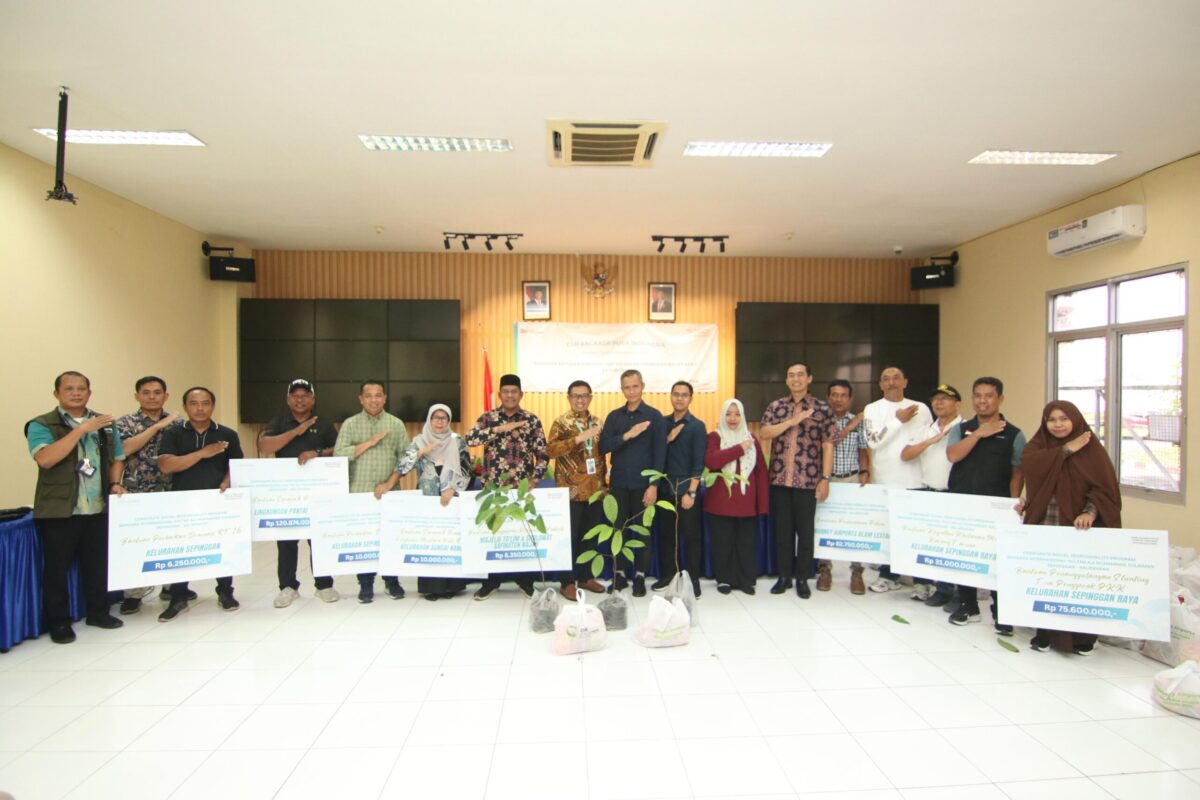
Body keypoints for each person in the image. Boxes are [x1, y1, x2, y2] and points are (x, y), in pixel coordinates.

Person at [25, 371, 127, 644]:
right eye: (69, 388)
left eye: (82, 388)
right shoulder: (41, 424)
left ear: (89, 393)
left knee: (97, 566)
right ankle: (58, 622)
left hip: (97, 507)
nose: (76, 393)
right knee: (56, 570)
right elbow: (45, 459)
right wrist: (80, 430)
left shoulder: (105, 423)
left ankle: (98, 612)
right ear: (57, 393)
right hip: (61, 511)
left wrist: (115, 482)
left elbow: (117, 457)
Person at [1017, 400, 1121, 656]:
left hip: (1078, 526)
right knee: (1046, 579)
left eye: (1064, 418)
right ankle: (1044, 632)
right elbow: (1030, 464)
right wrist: (1065, 450)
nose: (1058, 424)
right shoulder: (1040, 444)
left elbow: (1104, 489)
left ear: (1074, 419)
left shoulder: (1091, 449)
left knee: (1078, 582)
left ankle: (1083, 636)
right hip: (1045, 521)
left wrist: (1090, 511)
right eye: (1052, 419)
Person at [945, 376, 1026, 633]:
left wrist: (1014, 503)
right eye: (978, 395)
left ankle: (1001, 611)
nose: (982, 401)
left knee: (996, 559)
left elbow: (1017, 472)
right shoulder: (962, 428)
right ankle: (968, 605)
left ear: (1000, 399)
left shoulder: (1014, 434)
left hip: (997, 507)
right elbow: (953, 455)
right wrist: (979, 434)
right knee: (964, 555)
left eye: (988, 395)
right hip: (964, 502)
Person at [157, 387, 243, 621]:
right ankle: (178, 597)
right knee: (182, 549)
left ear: (212, 406)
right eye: (194, 403)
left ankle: (225, 592)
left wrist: (227, 481)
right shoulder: (174, 433)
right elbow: (166, 465)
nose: (200, 408)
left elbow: (236, 467)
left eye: (205, 403)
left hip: (218, 501)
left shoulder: (227, 434)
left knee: (223, 547)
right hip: (182, 501)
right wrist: (203, 453)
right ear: (185, 407)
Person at [257, 378, 341, 608]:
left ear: (313, 399)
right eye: (295, 395)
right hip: (286, 495)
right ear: (288, 399)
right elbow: (265, 446)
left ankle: (323, 584)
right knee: (286, 541)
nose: (300, 399)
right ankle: (288, 587)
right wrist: (297, 431)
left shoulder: (323, 423)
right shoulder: (279, 421)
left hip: (317, 493)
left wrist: (317, 452)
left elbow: (338, 448)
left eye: (305, 395)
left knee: (319, 539)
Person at [376, 403, 472, 601]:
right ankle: (432, 588)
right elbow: (403, 465)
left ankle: (451, 586)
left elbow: (466, 469)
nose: (439, 421)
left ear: (448, 420)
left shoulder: (457, 441)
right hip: (427, 500)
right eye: (435, 417)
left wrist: (453, 489)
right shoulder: (418, 442)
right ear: (429, 419)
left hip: (451, 499)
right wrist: (422, 451)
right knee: (431, 540)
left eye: (443, 418)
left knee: (450, 539)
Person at [466, 374, 548, 600]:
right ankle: (492, 581)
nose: (510, 395)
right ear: (500, 394)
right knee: (495, 533)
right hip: (494, 488)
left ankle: (526, 581)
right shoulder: (489, 418)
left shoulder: (531, 420)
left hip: (522, 489)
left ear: (521, 394)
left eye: (514, 391)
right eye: (506, 391)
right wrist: (499, 430)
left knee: (521, 534)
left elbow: (542, 454)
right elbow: (470, 439)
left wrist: (535, 479)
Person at [759, 361, 835, 599]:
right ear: (786, 380)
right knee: (782, 532)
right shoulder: (776, 406)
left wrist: (825, 478)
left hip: (807, 480)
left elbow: (828, 445)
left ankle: (802, 578)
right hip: (780, 480)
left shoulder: (821, 408)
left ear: (809, 379)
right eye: (791, 375)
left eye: (800, 375)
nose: (796, 379)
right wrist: (791, 422)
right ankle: (783, 577)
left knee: (805, 532)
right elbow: (764, 432)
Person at [114, 375, 184, 615]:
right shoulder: (126, 422)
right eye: (146, 392)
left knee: (171, 540)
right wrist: (156, 427)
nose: (152, 397)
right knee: (137, 544)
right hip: (137, 491)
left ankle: (171, 587)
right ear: (137, 396)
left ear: (166, 395)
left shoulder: (178, 423)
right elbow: (123, 450)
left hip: (171, 489)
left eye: (157, 392)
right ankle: (134, 594)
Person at [334, 380, 409, 603]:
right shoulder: (350, 424)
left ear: (385, 398)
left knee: (390, 538)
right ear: (361, 399)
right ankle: (365, 584)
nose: (373, 400)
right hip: (359, 492)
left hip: (389, 492)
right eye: (368, 395)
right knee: (364, 540)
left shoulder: (395, 424)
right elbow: (339, 455)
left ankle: (391, 581)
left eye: (378, 395)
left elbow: (406, 459)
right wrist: (370, 442)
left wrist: (388, 484)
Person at [862, 366, 933, 593]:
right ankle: (888, 576)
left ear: (905, 382)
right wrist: (897, 421)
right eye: (886, 379)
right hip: (885, 481)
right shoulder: (872, 408)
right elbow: (872, 441)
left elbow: (928, 440)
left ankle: (922, 580)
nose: (891, 382)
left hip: (916, 481)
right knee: (889, 532)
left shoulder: (921, 409)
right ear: (880, 385)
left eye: (896, 378)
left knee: (917, 532)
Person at [600, 369, 666, 596]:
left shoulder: (655, 416)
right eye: (627, 387)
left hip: (643, 486)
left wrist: (654, 485)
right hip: (618, 484)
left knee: (643, 533)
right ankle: (618, 576)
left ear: (642, 386)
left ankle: (639, 577)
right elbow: (603, 446)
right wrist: (627, 435)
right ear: (622, 389)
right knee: (618, 531)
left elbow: (660, 453)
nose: (631, 391)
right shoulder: (614, 417)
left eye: (635, 386)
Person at [899, 384, 964, 608]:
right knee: (932, 544)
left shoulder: (965, 428)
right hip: (928, 491)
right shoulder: (927, 429)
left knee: (953, 545)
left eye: (945, 399)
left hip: (954, 493)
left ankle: (957, 593)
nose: (939, 403)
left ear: (957, 403)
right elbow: (906, 454)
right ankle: (939, 589)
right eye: (935, 399)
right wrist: (930, 441)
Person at [545, 380, 608, 601]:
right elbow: (550, 450)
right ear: (569, 398)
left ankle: (585, 577)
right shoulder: (561, 423)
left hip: (595, 491)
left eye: (584, 395)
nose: (580, 399)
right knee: (569, 539)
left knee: (589, 538)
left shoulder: (599, 423)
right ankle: (567, 582)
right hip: (569, 491)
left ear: (590, 397)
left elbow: (601, 455)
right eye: (575, 396)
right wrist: (577, 439)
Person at [704, 399, 769, 594]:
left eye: (737, 414)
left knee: (746, 544)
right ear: (723, 416)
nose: (733, 418)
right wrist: (740, 448)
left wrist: (763, 505)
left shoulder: (752, 439)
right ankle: (724, 579)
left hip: (746, 503)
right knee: (722, 543)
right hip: (720, 502)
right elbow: (712, 461)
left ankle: (746, 580)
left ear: (743, 416)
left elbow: (761, 473)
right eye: (729, 414)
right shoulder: (715, 436)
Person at [653, 380, 707, 596]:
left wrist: (692, 492)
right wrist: (668, 438)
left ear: (690, 398)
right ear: (671, 396)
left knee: (691, 537)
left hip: (686, 491)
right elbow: (655, 453)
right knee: (667, 536)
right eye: (676, 394)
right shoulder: (662, 423)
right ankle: (669, 575)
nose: (679, 398)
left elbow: (698, 463)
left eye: (684, 395)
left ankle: (693, 579)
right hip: (665, 490)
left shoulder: (696, 425)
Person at [817, 380, 870, 594]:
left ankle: (857, 572)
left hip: (851, 479)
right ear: (828, 397)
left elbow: (863, 450)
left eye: (843, 395)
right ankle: (824, 570)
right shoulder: (821, 420)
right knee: (823, 526)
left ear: (850, 398)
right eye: (834, 395)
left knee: (855, 528)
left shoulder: (860, 422)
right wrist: (850, 426)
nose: (838, 399)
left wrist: (865, 472)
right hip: (827, 480)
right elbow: (832, 441)